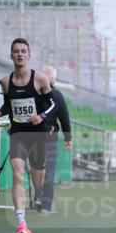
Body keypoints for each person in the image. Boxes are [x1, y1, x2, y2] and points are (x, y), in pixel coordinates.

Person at [0, 38, 57, 233]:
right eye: (16, 51)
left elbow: (54, 106)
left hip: (38, 134)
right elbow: (9, 105)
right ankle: (22, 224)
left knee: (38, 177)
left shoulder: (40, 80)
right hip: (18, 133)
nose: (20, 54)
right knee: (17, 173)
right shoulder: (5, 81)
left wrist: (42, 116)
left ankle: (38, 194)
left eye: (23, 51)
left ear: (29, 55)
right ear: (11, 55)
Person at [34, 65, 71, 213]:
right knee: (49, 170)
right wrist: (68, 138)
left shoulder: (34, 94)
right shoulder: (57, 95)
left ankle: (37, 198)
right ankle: (46, 205)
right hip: (49, 136)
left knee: (37, 168)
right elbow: (64, 118)